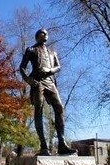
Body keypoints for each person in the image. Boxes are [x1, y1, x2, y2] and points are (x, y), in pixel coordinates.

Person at [19, 28, 77, 156]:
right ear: (37, 36)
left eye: (46, 33)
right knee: (38, 110)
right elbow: (22, 67)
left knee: (59, 108)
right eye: (42, 33)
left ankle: (62, 144)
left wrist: (50, 70)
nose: (45, 35)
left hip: (50, 81)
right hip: (37, 81)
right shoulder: (31, 50)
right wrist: (28, 79)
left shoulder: (52, 52)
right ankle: (44, 146)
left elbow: (58, 66)